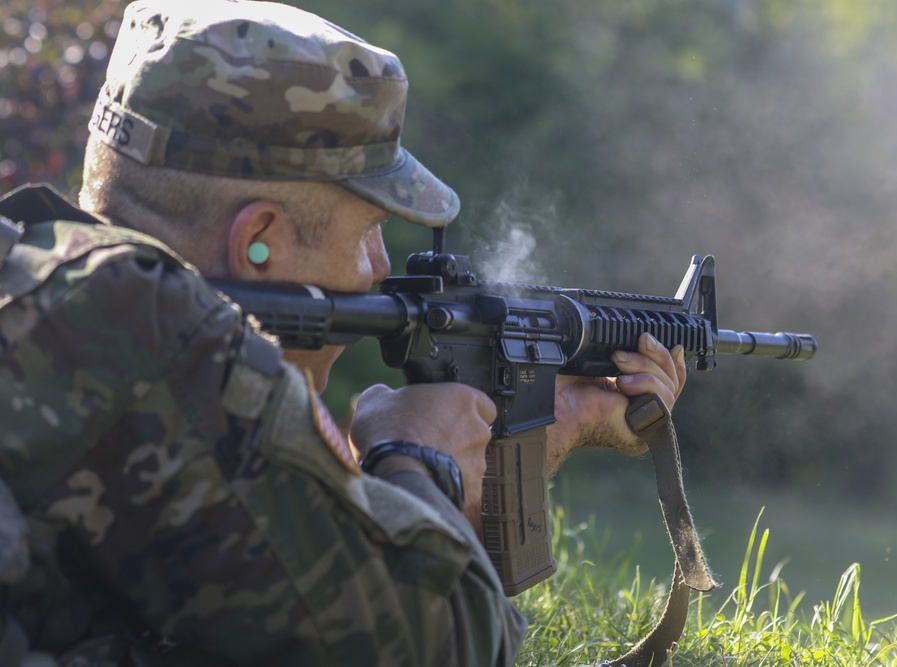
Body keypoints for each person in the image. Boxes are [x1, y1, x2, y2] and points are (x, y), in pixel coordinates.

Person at [0, 0, 687, 664]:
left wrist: (551, 421)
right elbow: (445, 641)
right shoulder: (167, 340)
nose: (380, 269)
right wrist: (415, 454)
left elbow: (287, 575)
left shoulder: (47, 272)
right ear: (259, 242)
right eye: (368, 231)